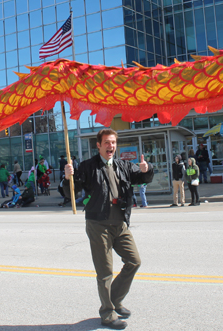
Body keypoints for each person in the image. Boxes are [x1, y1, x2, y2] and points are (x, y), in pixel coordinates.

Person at [63, 128, 154, 330]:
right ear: (99, 145)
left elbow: (142, 179)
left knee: (134, 261)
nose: (110, 146)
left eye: (113, 142)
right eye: (106, 142)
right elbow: (71, 191)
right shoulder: (88, 167)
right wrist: (68, 178)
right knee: (105, 272)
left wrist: (147, 170)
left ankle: (114, 300)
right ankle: (107, 313)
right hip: (98, 225)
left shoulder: (123, 165)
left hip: (120, 223)